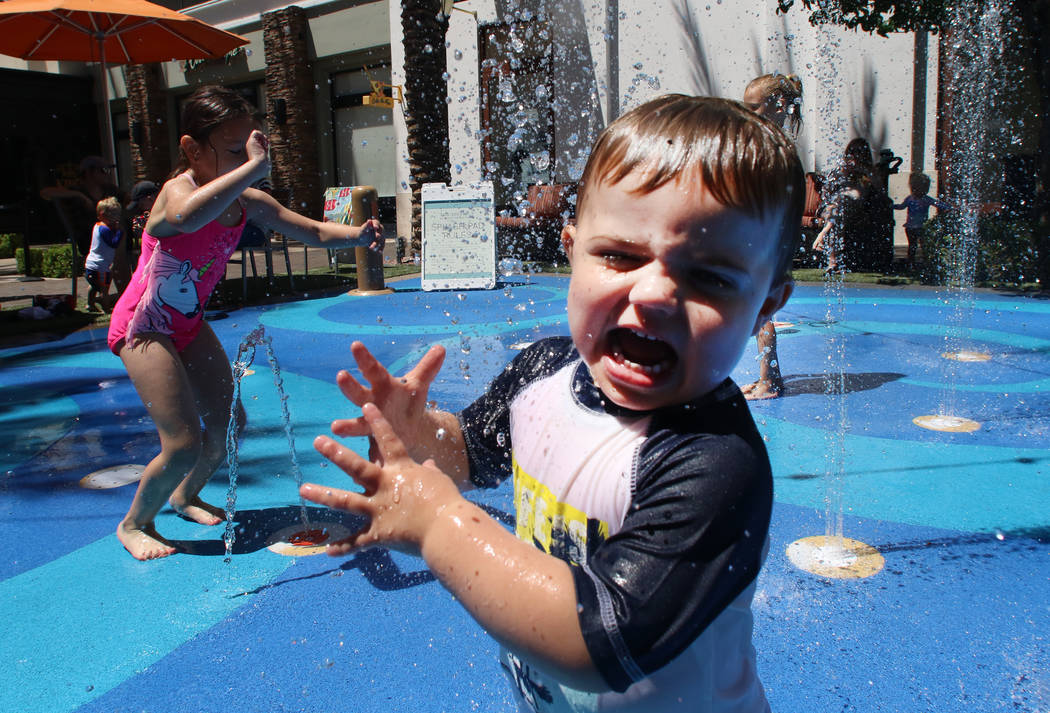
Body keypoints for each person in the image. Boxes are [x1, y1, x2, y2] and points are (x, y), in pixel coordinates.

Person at [300, 95, 803, 712]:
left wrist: (439, 526)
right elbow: (475, 452)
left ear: (768, 304)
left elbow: (597, 644)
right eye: (620, 255)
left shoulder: (715, 463)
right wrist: (418, 435)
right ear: (571, 249)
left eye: (712, 278)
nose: (653, 294)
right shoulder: (544, 370)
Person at [109, 85, 383, 561]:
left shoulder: (249, 202)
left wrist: (357, 235)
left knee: (229, 426)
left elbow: (313, 230)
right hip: (143, 328)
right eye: (234, 151)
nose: (246, 159)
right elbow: (185, 218)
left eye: (251, 148)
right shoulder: (178, 191)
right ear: (193, 150)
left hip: (188, 326)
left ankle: (185, 494)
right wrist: (253, 170)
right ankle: (135, 523)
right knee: (183, 440)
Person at [741, 73, 803, 400]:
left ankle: (770, 380)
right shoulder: (772, 142)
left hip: (766, 238)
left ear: (778, 105)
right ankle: (769, 375)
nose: (748, 113)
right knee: (758, 307)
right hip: (765, 235)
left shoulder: (773, 145)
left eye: (754, 107)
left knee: (759, 309)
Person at [40, 155, 120, 258]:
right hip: (90, 239)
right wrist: (79, 195)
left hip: (113, 234)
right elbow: (45, 192)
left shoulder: (110, 189)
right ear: (89, 173)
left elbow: (129, 199)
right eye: (103, 170)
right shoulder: (77, 191)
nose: (107, 174)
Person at [894, 171, 949, 270]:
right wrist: (893, 206)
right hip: (911, 227)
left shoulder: (924, 199)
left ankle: (925, 262)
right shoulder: (911, 199)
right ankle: (912, 263)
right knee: (913, 246)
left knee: (922, 245)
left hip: (921, 227)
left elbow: (938, 204)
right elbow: (901, 206)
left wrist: (948, 207)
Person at [84, 197, 124, 312]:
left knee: (94, 286)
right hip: (101, 266)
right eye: (114, 215)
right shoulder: (105, 229)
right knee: (104, 289)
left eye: (118, 214)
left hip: (91, 264)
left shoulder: (97, 226)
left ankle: (90, 304)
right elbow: (114, 243)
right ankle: (107, 308)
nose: (117, 218)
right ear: (103, 215)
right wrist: (120, 231)